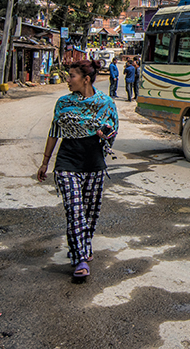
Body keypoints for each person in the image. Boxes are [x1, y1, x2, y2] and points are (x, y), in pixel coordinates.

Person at [36, 59, 118, 280]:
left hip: (94, 164)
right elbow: (54, 131)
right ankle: (81, 258)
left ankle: (82, 246)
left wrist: (105, 135)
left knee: (90, 214)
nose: (68, 80)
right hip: (67, 163)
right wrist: (45, 162)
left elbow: (113, 132)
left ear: (86, 79)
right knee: (75, 212)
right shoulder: (63, 103)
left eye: (71, 76)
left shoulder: (106, 103)